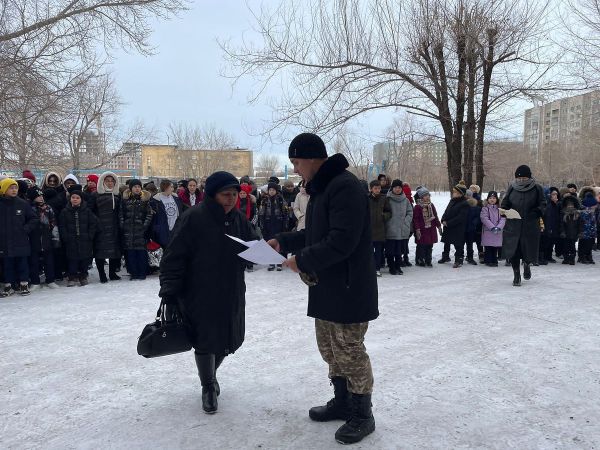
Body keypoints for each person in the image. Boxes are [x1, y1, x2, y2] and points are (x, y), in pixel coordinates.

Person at [269, 133, 378, 445]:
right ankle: (343, 402)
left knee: (350, 352)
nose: (295, 169)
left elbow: (342, 240)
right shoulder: (322, 188)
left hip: (349, 287)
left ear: (312, 158)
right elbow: (315, 234)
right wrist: (283, 241)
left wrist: (302, 260)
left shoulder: (345, 187)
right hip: (326, 285)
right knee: (330, 349)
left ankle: (362, 414)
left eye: (296, 162)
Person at [159, 171, 258, 414]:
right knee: (204, 340)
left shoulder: (238, 218)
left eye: (234, 194)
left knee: (225, 339)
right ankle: (208, 386)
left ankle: (210, 375)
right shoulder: (193, 218)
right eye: (226, 194)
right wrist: (169, 293)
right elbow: (173, 257)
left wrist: (261, 250)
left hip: (231, 291)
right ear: (213, 195)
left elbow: (254, 243)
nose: (231, 199)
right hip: (199, 292)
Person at [501, 165, 546, 286]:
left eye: (524, 178)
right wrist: (504, 210)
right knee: (514, 251)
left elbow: (543, 204)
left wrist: (536, 212)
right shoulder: (512, 187)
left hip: (530, 225)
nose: (521, 180)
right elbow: (505, 202)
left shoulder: (537, 188)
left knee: (527, 250)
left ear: (529, 177)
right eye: (519, 178)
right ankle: (516, 275)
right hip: (513, 225)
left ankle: (527, 264)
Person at [0, 178, 39, 297]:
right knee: (7, 265)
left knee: (22, 263)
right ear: (4, 189)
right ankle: (9, 285)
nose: (14, 190)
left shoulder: (22, 203)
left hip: (20, 240)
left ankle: (24, 284)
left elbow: (33, 218)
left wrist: (25, 229)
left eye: (15, 188)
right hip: (4, 241)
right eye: (11, 188)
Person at [60, 185, 99, 287]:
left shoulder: (87, 211)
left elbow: (93, 224)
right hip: (71, 240)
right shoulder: (65, 211)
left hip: (85, 239)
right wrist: (65, 237)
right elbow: (62, 226)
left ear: (81, 199)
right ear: (70, 199)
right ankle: (72, 276)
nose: (75, 199)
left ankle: (83, 276)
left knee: (84, 258)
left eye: (77, 198)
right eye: (73, 197)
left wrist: (90, 235)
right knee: (72, 259)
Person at [90, 172, 122, 283]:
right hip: (100, 228)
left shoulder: (117, 195)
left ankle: (112, 273)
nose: (110, 183)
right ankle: (102, 274)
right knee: (100, 252)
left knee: (114, 251)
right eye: (107, 181)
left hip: (114, 227)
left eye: (112, 181)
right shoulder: (95, 194)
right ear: (102, 182)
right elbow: (90, 210)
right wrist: (97, 222)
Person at [120, 179, 154, 280]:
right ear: (131, 188)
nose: (137, 188)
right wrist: (123, 225)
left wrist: (144, 226)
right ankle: (133, 272)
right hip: (128, 231)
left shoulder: (145, 200)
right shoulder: (125, 200)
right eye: (135, 187)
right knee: (130, 253)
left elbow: (149, 214)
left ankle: (142, 272)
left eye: (139, 187)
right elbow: (121, 213)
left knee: (141, 252)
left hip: (140, 231)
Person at [27, 187, 59, 290]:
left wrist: (55, 239)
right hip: (33, 239)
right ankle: (35, 281)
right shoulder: (29, 208)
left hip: (47, 238)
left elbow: (53, 223)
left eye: (41, 196)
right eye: (38, 196)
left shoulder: (48, 208)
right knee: (34, 262)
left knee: (49, 261)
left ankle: (50, 280)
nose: (41, 198)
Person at [258, 182, 289, 271]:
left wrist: (285, 225)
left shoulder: (281, 199)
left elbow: (286, 213)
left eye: (273, 190)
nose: (271, 191)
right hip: (268, 224)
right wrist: (262, 226)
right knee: (270, 243)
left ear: (276, 191)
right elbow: (261, 214)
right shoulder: (264, 200)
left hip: (278, 224)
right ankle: (271, 262)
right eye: (270, 190)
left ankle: (279, 262)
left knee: (279, 242)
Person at [439, 184, 470, 268]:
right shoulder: (452, 200)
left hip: (457, 228)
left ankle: (459, 260)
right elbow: (446, 211)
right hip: (448, 227)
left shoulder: (464, 203)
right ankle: (445, 257)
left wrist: (448, 223)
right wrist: (443, 219)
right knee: (446, 243)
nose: (453, 193)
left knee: (458, 244)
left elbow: (461, 217)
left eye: (455, 192)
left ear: (460, 193)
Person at [385, 179, 413, 273]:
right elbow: (384, 211)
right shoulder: (387, 199)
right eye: (396, 187)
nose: (397, 189)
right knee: (390, 251)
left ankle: (398, 266)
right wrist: (387, 221)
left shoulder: (406, 200)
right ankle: (391, 267)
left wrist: (406, 222)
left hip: (401, 229)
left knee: (399, 250)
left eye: (399, 187)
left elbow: (410, 212)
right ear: (392, 188)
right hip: (390, 229)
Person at [150, 180, 184, 248]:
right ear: (166, 188)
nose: (173, 189)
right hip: (163, 230)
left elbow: (180, 212)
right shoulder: (156, 200)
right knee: (166, 250)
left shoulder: (176, 198)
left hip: (175, 229)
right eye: (171, 187)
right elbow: (154, 217)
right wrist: (157, 229)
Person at [413, 187, 441, 267]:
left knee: (429, 245)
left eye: (428, 195)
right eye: (425, 196)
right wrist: (417, 229)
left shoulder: (431, 205)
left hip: (431, 229)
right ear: (421, 197)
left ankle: (428, 260)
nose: (427, 197)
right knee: (421, 245)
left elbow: (435, 216)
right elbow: (416, 219)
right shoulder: (418, 207)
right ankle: (420, 259)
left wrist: (438, 226)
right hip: (422, 229)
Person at [368, 180, 392, 277]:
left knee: (378, 251)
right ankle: (369, 268)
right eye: (375, 188)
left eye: (379, 188)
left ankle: (377, 269)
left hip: (380, 230)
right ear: (371, 189)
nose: (377, 190)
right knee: (369, 252)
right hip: (369, 230)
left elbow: (389, 212)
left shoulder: (384, 198)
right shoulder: (366, 198)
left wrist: (384, 216)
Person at [480, 191, 505, 267]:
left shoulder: (500, 209)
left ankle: (494, 260)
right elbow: (484, 218)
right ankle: (488, 260)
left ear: (496, 199)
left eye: (494, 198)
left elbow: (503, 219)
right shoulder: (485, 208)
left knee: (495, 247)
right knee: (488, 247)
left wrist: (499, 227)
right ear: (487, 199)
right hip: (488, 231)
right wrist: (492, 227)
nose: (492, 199)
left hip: (498, 231)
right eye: (490, 198)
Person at [541, 188, 561, 263]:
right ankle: (545, 257)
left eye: (556, 194)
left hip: (554, 227)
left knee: (551, 242)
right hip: (548, 228)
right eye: (553, 194)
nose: (555, 196)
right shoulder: (548, 205)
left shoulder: (555, 204)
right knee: (547, 243)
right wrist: (549, 229)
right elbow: (548, 218)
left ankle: (549, 256)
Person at [560, 194, 581, 265]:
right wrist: (562, 231)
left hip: (574, 234)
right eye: (569, 205)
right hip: (566, 234)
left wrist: (580, 232)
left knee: (572, 247)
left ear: (574, 206)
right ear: (566, 206)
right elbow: (561, 224)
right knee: (565, 247)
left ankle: (572, 259)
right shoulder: (563, 214)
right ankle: (566, 258)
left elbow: (580, 224)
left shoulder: (577, 214)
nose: (570, 207)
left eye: (572, 205)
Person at [578, 191, 597, 264]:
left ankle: (588, 256)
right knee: (585, 243)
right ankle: (583, 256)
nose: (596, 207)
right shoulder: (586, 212)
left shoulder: (592, 212)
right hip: (585, 230)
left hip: (590, 230)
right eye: (594, 205)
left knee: (589, 243)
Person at [464, 190, 483, 265]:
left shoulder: (476, 207)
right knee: (461, 244)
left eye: (468, 195)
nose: (467, 197)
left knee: (470, 244)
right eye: (466, 195)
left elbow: (478, 217)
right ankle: (460, 257)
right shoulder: (462, 205)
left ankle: (470, 257)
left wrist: (473, 223)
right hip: (462, 228)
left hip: (472, 228)